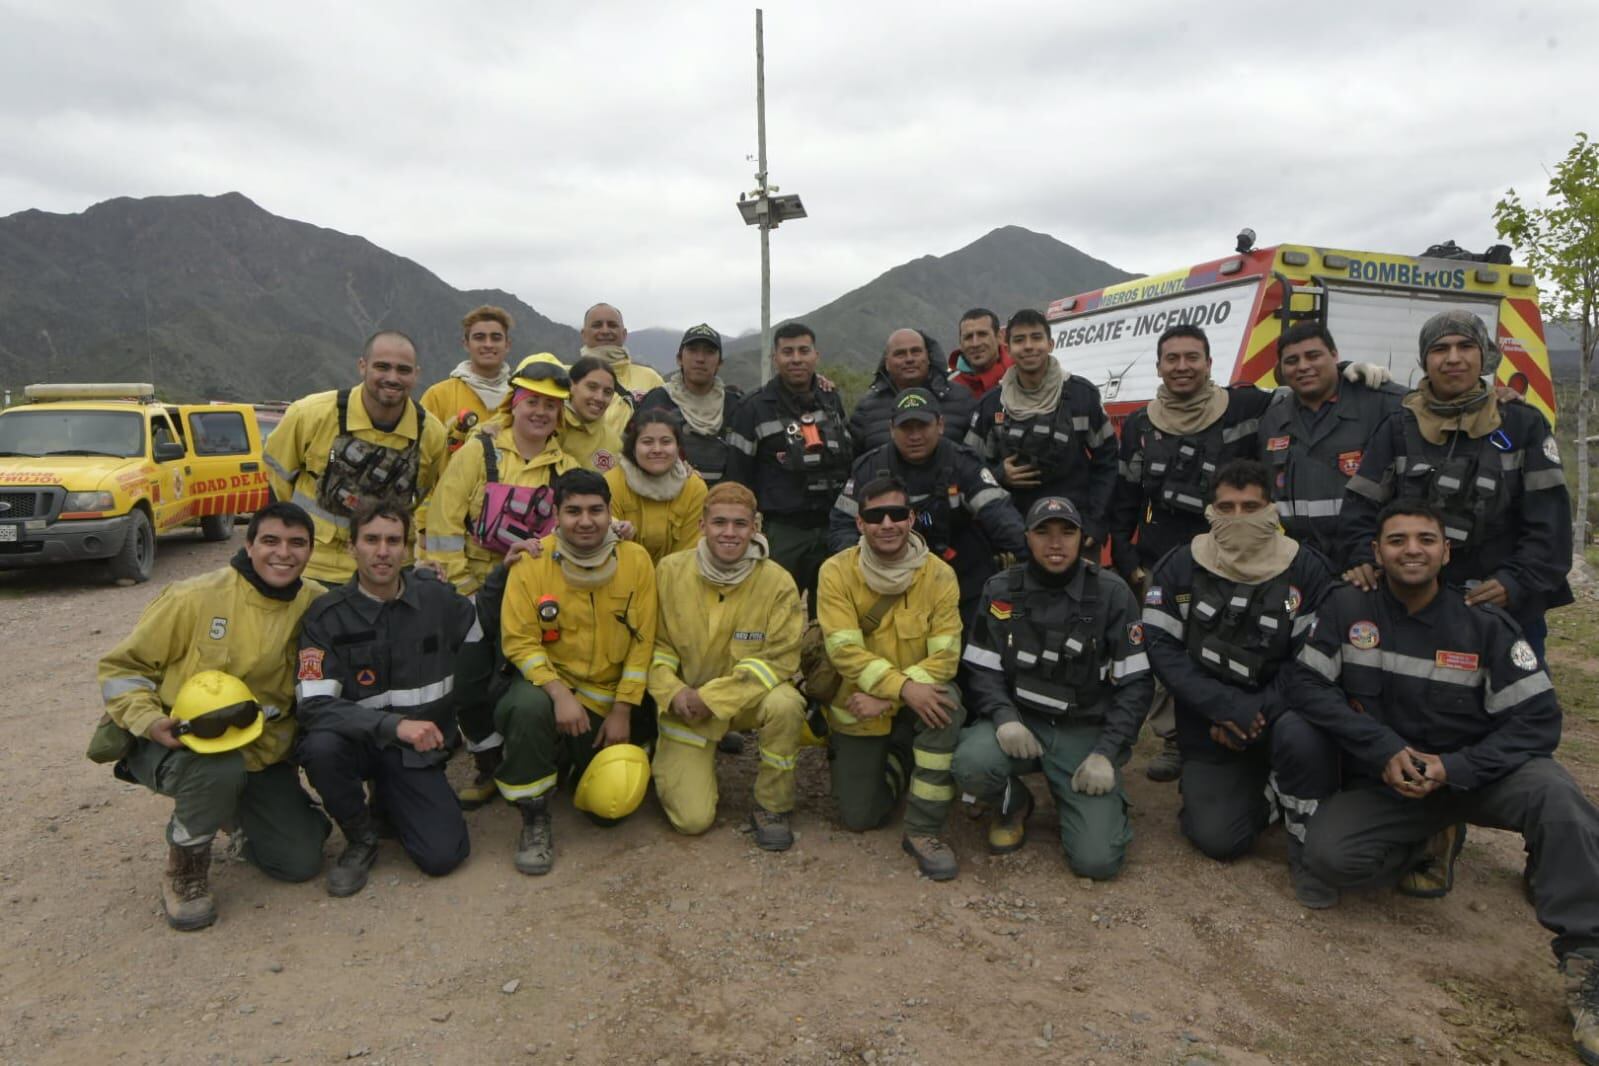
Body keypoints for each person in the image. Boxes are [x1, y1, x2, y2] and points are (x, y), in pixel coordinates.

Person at [1292, 500, 1599, 1063]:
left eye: (1425, 540)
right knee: (1330, 857)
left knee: (1556, 796)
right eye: (1398, 540)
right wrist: (1382, 748)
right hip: (1394, 780)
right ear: (1377, 552)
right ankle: (1430, 840)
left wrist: (1456, 769)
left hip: (1475, 776)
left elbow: (1537, 721)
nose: (1412, 549)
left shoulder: (1485, 623)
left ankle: (1589, 958)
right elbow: (1308, 687)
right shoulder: (1347, 609)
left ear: (1445, 551)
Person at [94, 502, 331, 930]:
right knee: (217, 771)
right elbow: (122, 668)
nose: (284, 553)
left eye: (298, 543)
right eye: (271, 541)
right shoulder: (193, 597)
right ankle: (185, 871)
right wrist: (149, 721)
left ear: (311, 551)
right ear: (249, 543)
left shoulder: (316, 602)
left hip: (261, 753)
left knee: (301, 860)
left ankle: (234, 813)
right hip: (181, 745)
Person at [1140, 459, 1340, 906]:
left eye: (1250, 507)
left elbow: (1313, 660)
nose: (1237, 518)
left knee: (1303, 738)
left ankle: (1303, 819)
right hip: (1208, 722)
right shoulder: (1181, 563)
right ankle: (1268, 796)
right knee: (1216, 839)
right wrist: (1222, 707)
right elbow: (1160, 646)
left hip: (1283, 718)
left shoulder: (1307, 569)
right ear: (1210, 510)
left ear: (1272, 509)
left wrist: (1259, 711)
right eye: (1225, 507)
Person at [1340, 309, 1572, 662]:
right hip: (1412, 605)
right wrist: (1361, 558)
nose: (1453, 358)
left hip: (1504, 609)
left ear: (1484, 355)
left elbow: (1550, 526)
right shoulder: (1398, 427)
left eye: (1465, 346)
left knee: (1518, 707)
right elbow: (1360, 507)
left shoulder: (1523, 426)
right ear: (1424, 360)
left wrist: (1515, 583)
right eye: (1439, 349)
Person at [952, 496, 1152, 878]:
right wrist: (1004, 717)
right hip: (1021, 724)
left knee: (1098, 862)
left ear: (1082, 538)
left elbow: (1136, 683)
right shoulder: (1000, 591)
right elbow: (982, 668)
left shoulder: (1112, 594)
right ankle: (1015, 800)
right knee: (971, 765)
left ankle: (1084, 801)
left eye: (1067, 532)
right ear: (1027, 538)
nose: (1055, 543)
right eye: (1043, 532)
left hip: (1083, 730)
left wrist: (1107, 753)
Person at [1109, 323, 1274, 784]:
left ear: (1208, 363)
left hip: (1231, 558)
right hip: (1162, 561)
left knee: (1227, 644)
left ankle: (1233, 730)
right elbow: (1125, 498)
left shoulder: (1243, 407)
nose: (1182, 366)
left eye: (1192, 357)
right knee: (1167, 652)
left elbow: (1304, 384)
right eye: (1172, 358)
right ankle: (1175, 741)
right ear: (1159, 366)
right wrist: (1128, 564)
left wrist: (1358, 372)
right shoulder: (1142, 424)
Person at [420, 354, 578, 807]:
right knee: (470, 682)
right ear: (515, 402)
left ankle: (539, 755)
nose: (541, 412)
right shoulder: (478, 452)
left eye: (551, 405)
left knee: (525, 679)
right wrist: (463, 589)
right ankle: (488, 762)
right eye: (533, 401)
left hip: (534, 593)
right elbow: (444, 520)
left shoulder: (564, 468)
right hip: (475, 589)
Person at [295, 499, 476, 896]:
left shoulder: (437, 600)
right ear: (351, 547)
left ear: (408, 549)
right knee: (320, 747)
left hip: (414, 752)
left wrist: (508, 573)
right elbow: (315, 705)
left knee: (444, 856)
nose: (382, 551)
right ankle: (361, 838)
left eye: (394, 541)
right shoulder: (325, 617)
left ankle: (390, 800)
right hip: (357, 745)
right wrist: (394, 725)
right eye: (371, 539)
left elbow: (487, 628)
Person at [490, 469, 659, 875]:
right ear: (557, 514)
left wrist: (622, 710)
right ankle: (534, 815)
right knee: (527, 709)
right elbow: (519, 641)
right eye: (574, 511)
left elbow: (643, 642)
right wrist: (559, 695)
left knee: (607, 811)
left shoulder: (636, 561)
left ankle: (566, 756)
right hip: (552, 690)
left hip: (607, 697)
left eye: (596, 510)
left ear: (609, 511)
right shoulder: (533, 561)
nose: (586, 521)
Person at [817, 475, 965, 880]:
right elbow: (844, 653)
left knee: (946, 703)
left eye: (897, 514)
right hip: (858, 705)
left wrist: (894, 695)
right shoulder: (835, 572)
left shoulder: (939, 576)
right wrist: (902, 689)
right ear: (860, 523)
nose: (887, 524)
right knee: (859, 817)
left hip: (907, 698)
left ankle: (922, 830)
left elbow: (946, 658)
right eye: (875, 515)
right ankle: (900, 758)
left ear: (912, 519)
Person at [648, 482, 807, 848]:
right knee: (691, 821)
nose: (730, 533)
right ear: (702, 526)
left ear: (755, 528)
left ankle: (773, 806)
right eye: (720, 522)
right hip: (687, 707)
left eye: (740, 524)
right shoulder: (669, 572)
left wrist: (715, 698)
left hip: (747, 701)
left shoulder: (777, 581)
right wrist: (674, 694)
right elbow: (656, 647)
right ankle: (669, 755)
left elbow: (781, 658)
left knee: (786, 704)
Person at [264, 330, 448, 583]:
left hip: (388, 574)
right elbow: (277, 485)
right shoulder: (309, 415)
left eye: (403, 370)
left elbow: (426, 500)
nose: (392, 378)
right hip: (314, 568)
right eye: (382, 367)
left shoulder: (432, 434)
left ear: (416, 374)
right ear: (362, 366)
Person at [829, 388, 1024, 627]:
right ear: (891, 429)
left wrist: (1035, 560)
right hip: (890, 579)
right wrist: (861, 569)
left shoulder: (963, 463)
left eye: (922, 426)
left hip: (961, 574)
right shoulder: (868, 469)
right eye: (906, 428)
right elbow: (842, 525)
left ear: (940, 425)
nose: (915, 436)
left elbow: (1000, 516)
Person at [726, 321, 853, 613]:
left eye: (803, 351)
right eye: (788, 352)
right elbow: (736, 480)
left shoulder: (831, 399)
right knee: (770, 614)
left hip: (831, 529)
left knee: (832, 617)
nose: (796, 358)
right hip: (783, 532)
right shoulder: (752, 408)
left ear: (815, 356)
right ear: (775, 359)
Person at [1257, 322, 1407, 560]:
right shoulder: (1273, 419)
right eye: (1292, 361)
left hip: (1370, 558)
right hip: (1303, 559)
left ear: (1335, 356)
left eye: (1313, 356)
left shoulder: (1382, 403)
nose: (1303, 366)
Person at [966, 308, 1118, 534]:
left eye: (1036, 337)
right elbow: (969, 468)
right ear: (1008, 348)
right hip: (1014, 533)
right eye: (1019, 340)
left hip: (1075, 529)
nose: (1028, 346)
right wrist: (1000, 475)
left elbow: (1108, 462)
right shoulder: (991, 404)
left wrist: (1094, 523)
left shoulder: (1082, 396)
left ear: (1051, 344)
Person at [637, 323, 744, 486]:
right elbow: (632, 453)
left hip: (724, 502)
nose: (700, 359)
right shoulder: (657, 400)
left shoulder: (736, 405)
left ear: (720, 363)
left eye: (709, 352)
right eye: (693, 350)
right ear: (679, 358)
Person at [847, 327, 976, 453]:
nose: (909, 359)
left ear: (928, 357)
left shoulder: (961, 400)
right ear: (886, 363)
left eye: (916, 352)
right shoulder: (866, 410)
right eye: (900, 354)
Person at [604, 408, 708, 564]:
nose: (657, 450)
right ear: (633, 447)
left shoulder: (694, 486)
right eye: (647, 442)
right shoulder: (611, 482)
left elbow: (689, 554)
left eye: (666, 442)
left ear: (678, 448)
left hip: (674, 578)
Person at [420, 305, 515, 454]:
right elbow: (422, 454)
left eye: (496, 338)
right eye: (479, 337)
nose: (488, 344)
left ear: (507, 345)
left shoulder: (518, 397)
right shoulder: (438, 395)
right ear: (466, 344)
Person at [579, 301, 666, 404]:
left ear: (624, 334)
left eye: (612, 325)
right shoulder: (567, 378)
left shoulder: (651, 379)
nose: (605, 331)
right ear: (584, 334)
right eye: (597, 325)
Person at [560, 355, 633, 472]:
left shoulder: (613, 444)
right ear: (572, 385)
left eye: (607, 392)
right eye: (592, 387)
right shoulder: (548, 424)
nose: (600, 398)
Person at [947, 307, 1012, 399]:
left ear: (999, 337)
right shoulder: (950, 388)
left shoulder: (1020, 372)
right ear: (960, 343)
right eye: (968, 337)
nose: (975, 343)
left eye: (982, 334)